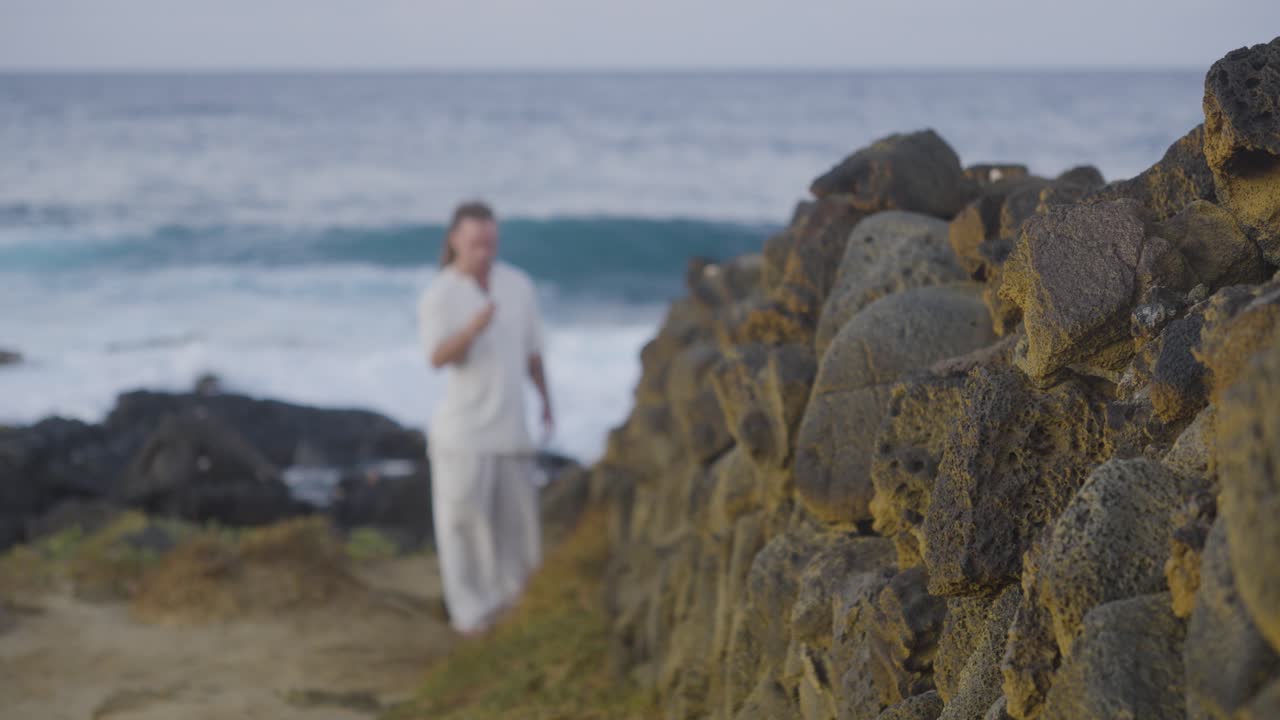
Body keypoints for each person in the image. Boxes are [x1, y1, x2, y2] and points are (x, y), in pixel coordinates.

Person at [417, 201, 553, 635]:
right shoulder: (440, 293)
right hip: (463, 433)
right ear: (455, 240)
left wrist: (546, 402)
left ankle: (517, 612)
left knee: (517, 532)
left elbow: (533, 351)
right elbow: (437, 358)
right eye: (475, 243)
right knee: (463, 529)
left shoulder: (516, 285)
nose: (483, 251)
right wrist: (473, 329)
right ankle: (472, 619)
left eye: (490, 242)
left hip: (511, 428)